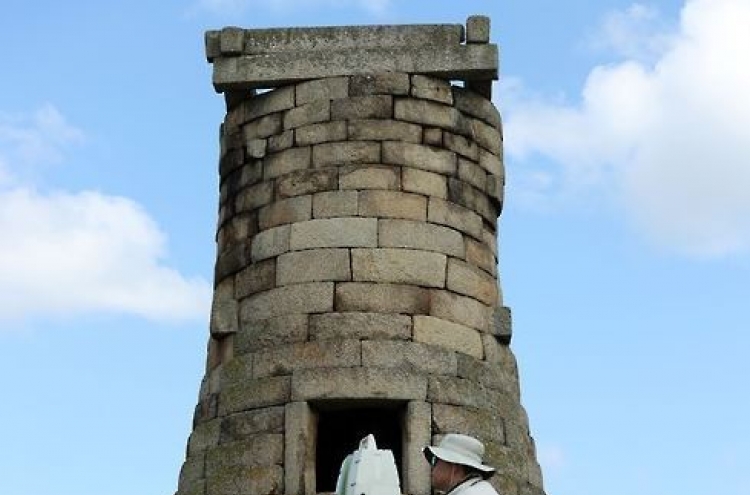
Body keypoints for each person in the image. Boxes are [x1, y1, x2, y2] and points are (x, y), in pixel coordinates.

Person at [423, 434, 500, 495]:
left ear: (455, 468)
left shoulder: (471, 493)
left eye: (435, 460)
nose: (432, 467)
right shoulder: (480, 489)